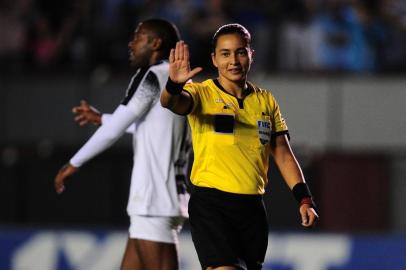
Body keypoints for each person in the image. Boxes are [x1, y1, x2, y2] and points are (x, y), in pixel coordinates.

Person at [160, 23, 319, 270]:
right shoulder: (201, 93)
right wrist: (173, 85)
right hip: (212, 205)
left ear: (250, 55)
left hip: (252, 210)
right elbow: (173, 102)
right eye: (225, 53)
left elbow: (283, 154)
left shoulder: (265, 100)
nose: (233, 60)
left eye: (240, 52)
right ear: (214, 59)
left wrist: (304, 199)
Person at [54, 18, 190, 270]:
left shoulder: (152, 76)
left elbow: (117, 127)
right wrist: (102, 118)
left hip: (153, 199)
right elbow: (151, 127)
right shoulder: (178, 81)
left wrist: (74, 162)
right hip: (163, 197)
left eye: (138, 37)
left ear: (155, 43)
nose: (131, 44)